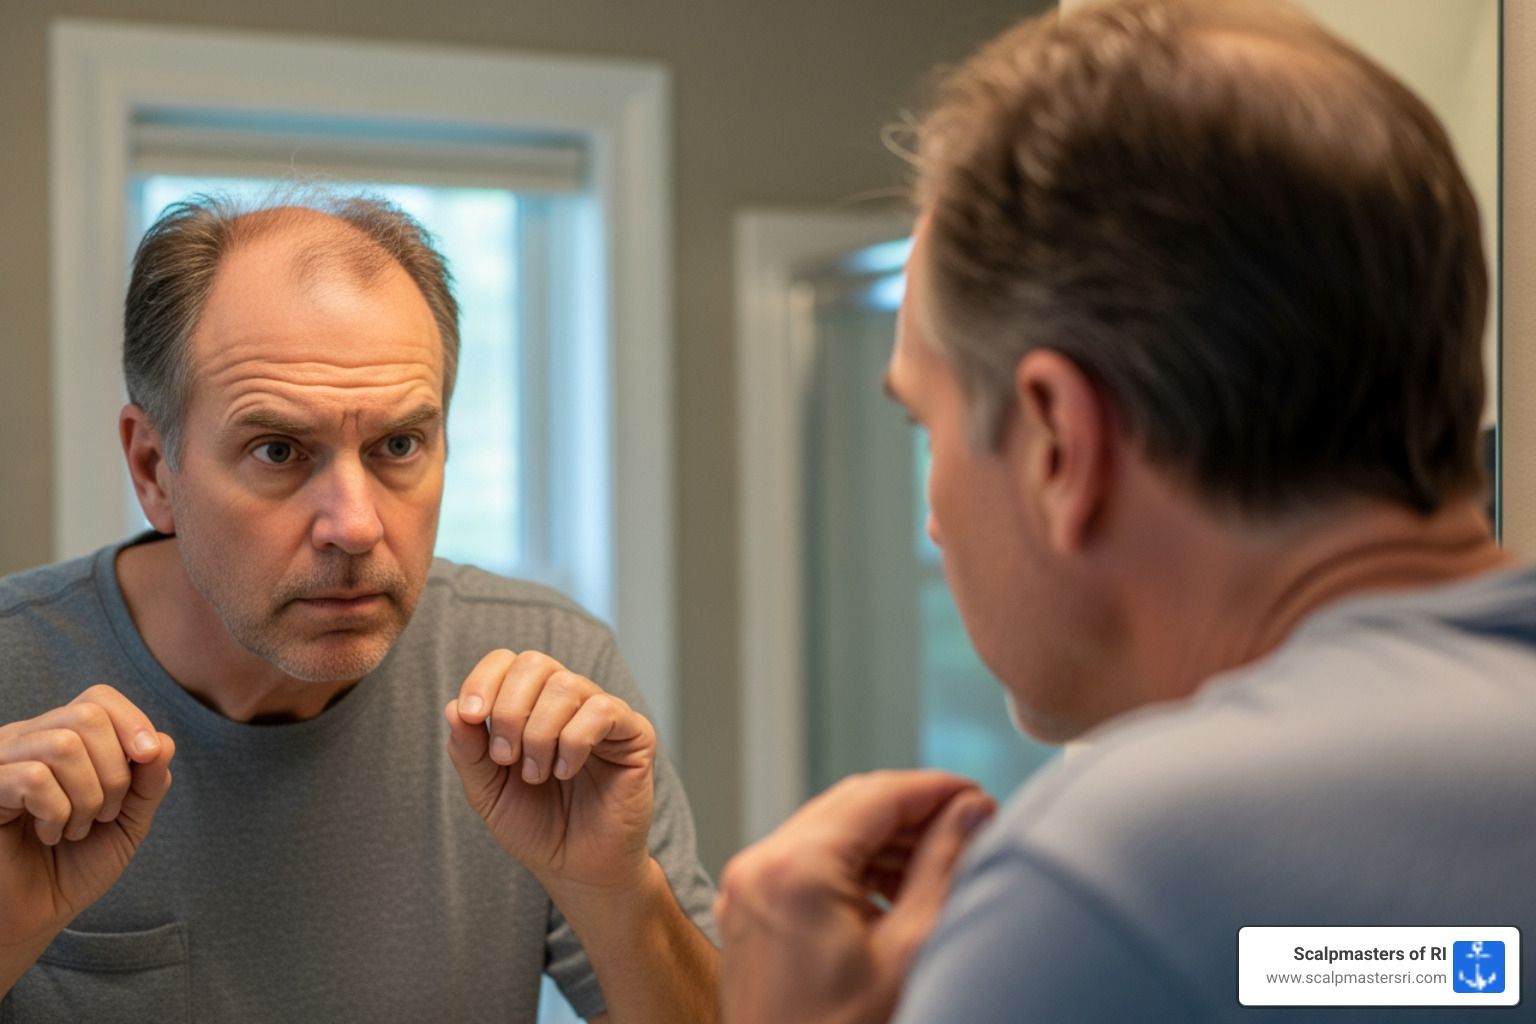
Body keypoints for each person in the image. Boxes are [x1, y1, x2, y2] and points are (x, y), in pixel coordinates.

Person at [715, 1, 1533, 1021]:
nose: (933, 521)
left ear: (1058, 443)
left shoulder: (1124, 873)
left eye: (927, 424)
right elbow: (1420, 968)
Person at [0, 193, 718, 1022]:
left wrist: (618, 895)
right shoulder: (16, 677)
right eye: (278, 450)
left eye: (399, 445)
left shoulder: (546, 674)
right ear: (154, 468)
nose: (356, 526)